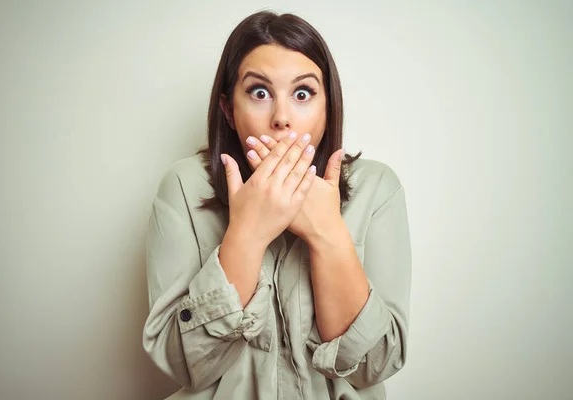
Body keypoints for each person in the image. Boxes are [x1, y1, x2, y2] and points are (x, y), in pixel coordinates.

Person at [142, 10, 411, 400]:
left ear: (327, 107)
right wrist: (247, 234)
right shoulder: (184, 185)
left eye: (302, 94)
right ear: (228, 110)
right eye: (259, 92)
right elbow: (181, 363)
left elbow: (376, 366)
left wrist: (327, 233)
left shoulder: (377, 187)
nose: (282, 118)